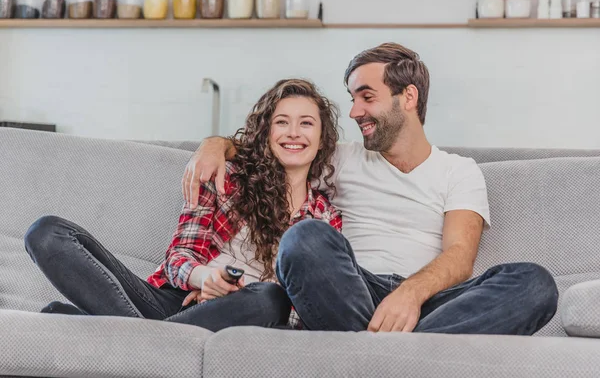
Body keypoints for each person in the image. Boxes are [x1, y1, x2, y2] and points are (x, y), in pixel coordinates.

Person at [182, 43, 559, 335]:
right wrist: (215, 144)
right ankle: (401, 352)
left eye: (366, 96)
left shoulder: (459, 171)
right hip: (348, 290)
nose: (354, 112)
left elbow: (460, 256)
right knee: (304, 239)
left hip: (429, 303)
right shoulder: (341, 158)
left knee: (534, 283)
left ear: (407, 97)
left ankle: (382, 353)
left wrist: (408, 296)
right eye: (352, 99)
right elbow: (274, 146)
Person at [24, 78, 342, 332]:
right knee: (47, 233)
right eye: (282, 122)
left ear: (322, 135)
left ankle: (118, 337)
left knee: (272, 298)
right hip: (174, 303)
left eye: (306, 124)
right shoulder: (225, 176)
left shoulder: (325, 219)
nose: (294, 133)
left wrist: (226, 294)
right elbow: (179, 257)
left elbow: (308, 303)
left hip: (243, 313)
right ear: (266, 132)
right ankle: (159, 345)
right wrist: (205, 279)